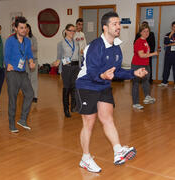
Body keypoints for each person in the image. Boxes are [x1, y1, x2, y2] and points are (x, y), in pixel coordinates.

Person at [75, 11, 148, 173]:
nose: (118, 27)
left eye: (119, 24)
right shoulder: (95, 46)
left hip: (103, 86)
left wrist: (133, 73)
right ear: (105, 27)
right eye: (115, 24)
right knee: (89, 123)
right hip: (87, 85)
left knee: (107, 118)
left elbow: (118, 71)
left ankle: (118, 151)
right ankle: (85, 158)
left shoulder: (116, 48)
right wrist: (103, 75)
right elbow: (93, 72)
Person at [4, 16, 35, 133]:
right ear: (15, 28)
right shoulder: (10, 40)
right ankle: (11, 123)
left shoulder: (27, 41)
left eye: (25, 28)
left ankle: (22, 119)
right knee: (13, 98)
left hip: (23, 73)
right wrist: (8, 64)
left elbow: (29, 55)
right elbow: (6, 56)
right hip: (12, 73)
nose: (24, 30)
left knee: (30, 94)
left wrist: (31, 62)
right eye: (21, 28)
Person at [54, 24, 81, 118]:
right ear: (66, 31)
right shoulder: (61, 43)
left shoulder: (76, 43)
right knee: (67, 88)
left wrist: (80, 67)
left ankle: (73, 107)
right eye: (70, 30)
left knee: (74, 87)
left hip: (75, 67)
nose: (72, 33)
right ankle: (66, 109)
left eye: (74, 31)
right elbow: (59, 57)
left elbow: (78, 56)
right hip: (66, 67)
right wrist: (57, 63)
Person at [131, 24, 158, 109]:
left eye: (147, 31)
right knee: (136, 84)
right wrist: (154, 53)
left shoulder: (145, 41)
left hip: (145, 64)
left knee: (146, 81)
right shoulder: (139, 41)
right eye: (144, 31)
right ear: (140, 32)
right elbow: (141, 55)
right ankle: (135, 103)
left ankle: (147, 97)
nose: (146, 33)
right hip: (137, 65)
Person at [158, 21, 175, 88]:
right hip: (168, 54)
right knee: (166, 69)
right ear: (172, 27)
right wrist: (171, 35)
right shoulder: (167, 34)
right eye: (174, 27)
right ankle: (164, 82)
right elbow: (165, 43)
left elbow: (168, 44)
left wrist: (169, 44)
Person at [26, 24, 38, 103]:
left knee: (33, 78)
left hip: (33, 60)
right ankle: (27, 95)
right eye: (24, 28)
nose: (26, 29)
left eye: (28, 28)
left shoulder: (33, 38)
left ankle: (35, 96)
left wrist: (28, 46)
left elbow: (35, 49)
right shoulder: (20, 38)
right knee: (26, 79)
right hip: (24, 62)